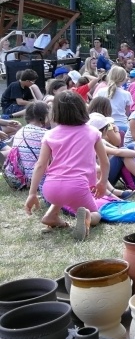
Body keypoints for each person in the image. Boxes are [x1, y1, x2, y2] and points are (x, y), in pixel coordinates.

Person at [24, 92, 108, 240]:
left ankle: (51, 216)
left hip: (51, 188)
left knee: (61, 197)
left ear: (55, 112)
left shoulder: (50, 134)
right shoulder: (92, 132)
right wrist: (102, 182)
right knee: (97, 214)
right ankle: (87, 216)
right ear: (83, 109)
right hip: (77, 186)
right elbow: (104, 162)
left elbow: (40, 165)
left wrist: (32, 194)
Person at [3, 101, 48, 191]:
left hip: (19, 178)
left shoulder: (20, 131)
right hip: (37, 180)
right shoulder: (46, 134)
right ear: (44, 116)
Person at [92, 66, 133, 136]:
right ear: (123, 79)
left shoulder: (101, 91)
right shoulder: (126, 94)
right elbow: (127, 113)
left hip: (104, 126)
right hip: (122, 125)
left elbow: (94, 108)